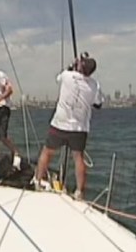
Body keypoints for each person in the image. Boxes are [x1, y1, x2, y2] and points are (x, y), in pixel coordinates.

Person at [34, 53, 103, 200]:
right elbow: (98, 104)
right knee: (78, 157)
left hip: (60, 124)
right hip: (79, 129)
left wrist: (72, 65)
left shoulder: (67, 76)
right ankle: (79, 191)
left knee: (47, 152)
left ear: (80, 66)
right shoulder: (94, 85)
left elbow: (58, 78)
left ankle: (38, 181)